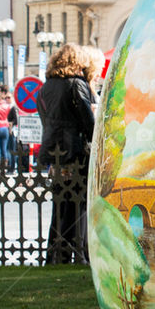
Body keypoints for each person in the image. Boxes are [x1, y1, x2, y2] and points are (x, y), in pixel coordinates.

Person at [37, 44, 100, 265]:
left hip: (54, 152)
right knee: (78, 202)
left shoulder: (46, 87)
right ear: (76, 62)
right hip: (75, 151)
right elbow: (88, 121)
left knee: (60, 204)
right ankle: (79, 254)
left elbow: (45, 119)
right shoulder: (76, 84)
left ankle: (56, 254)